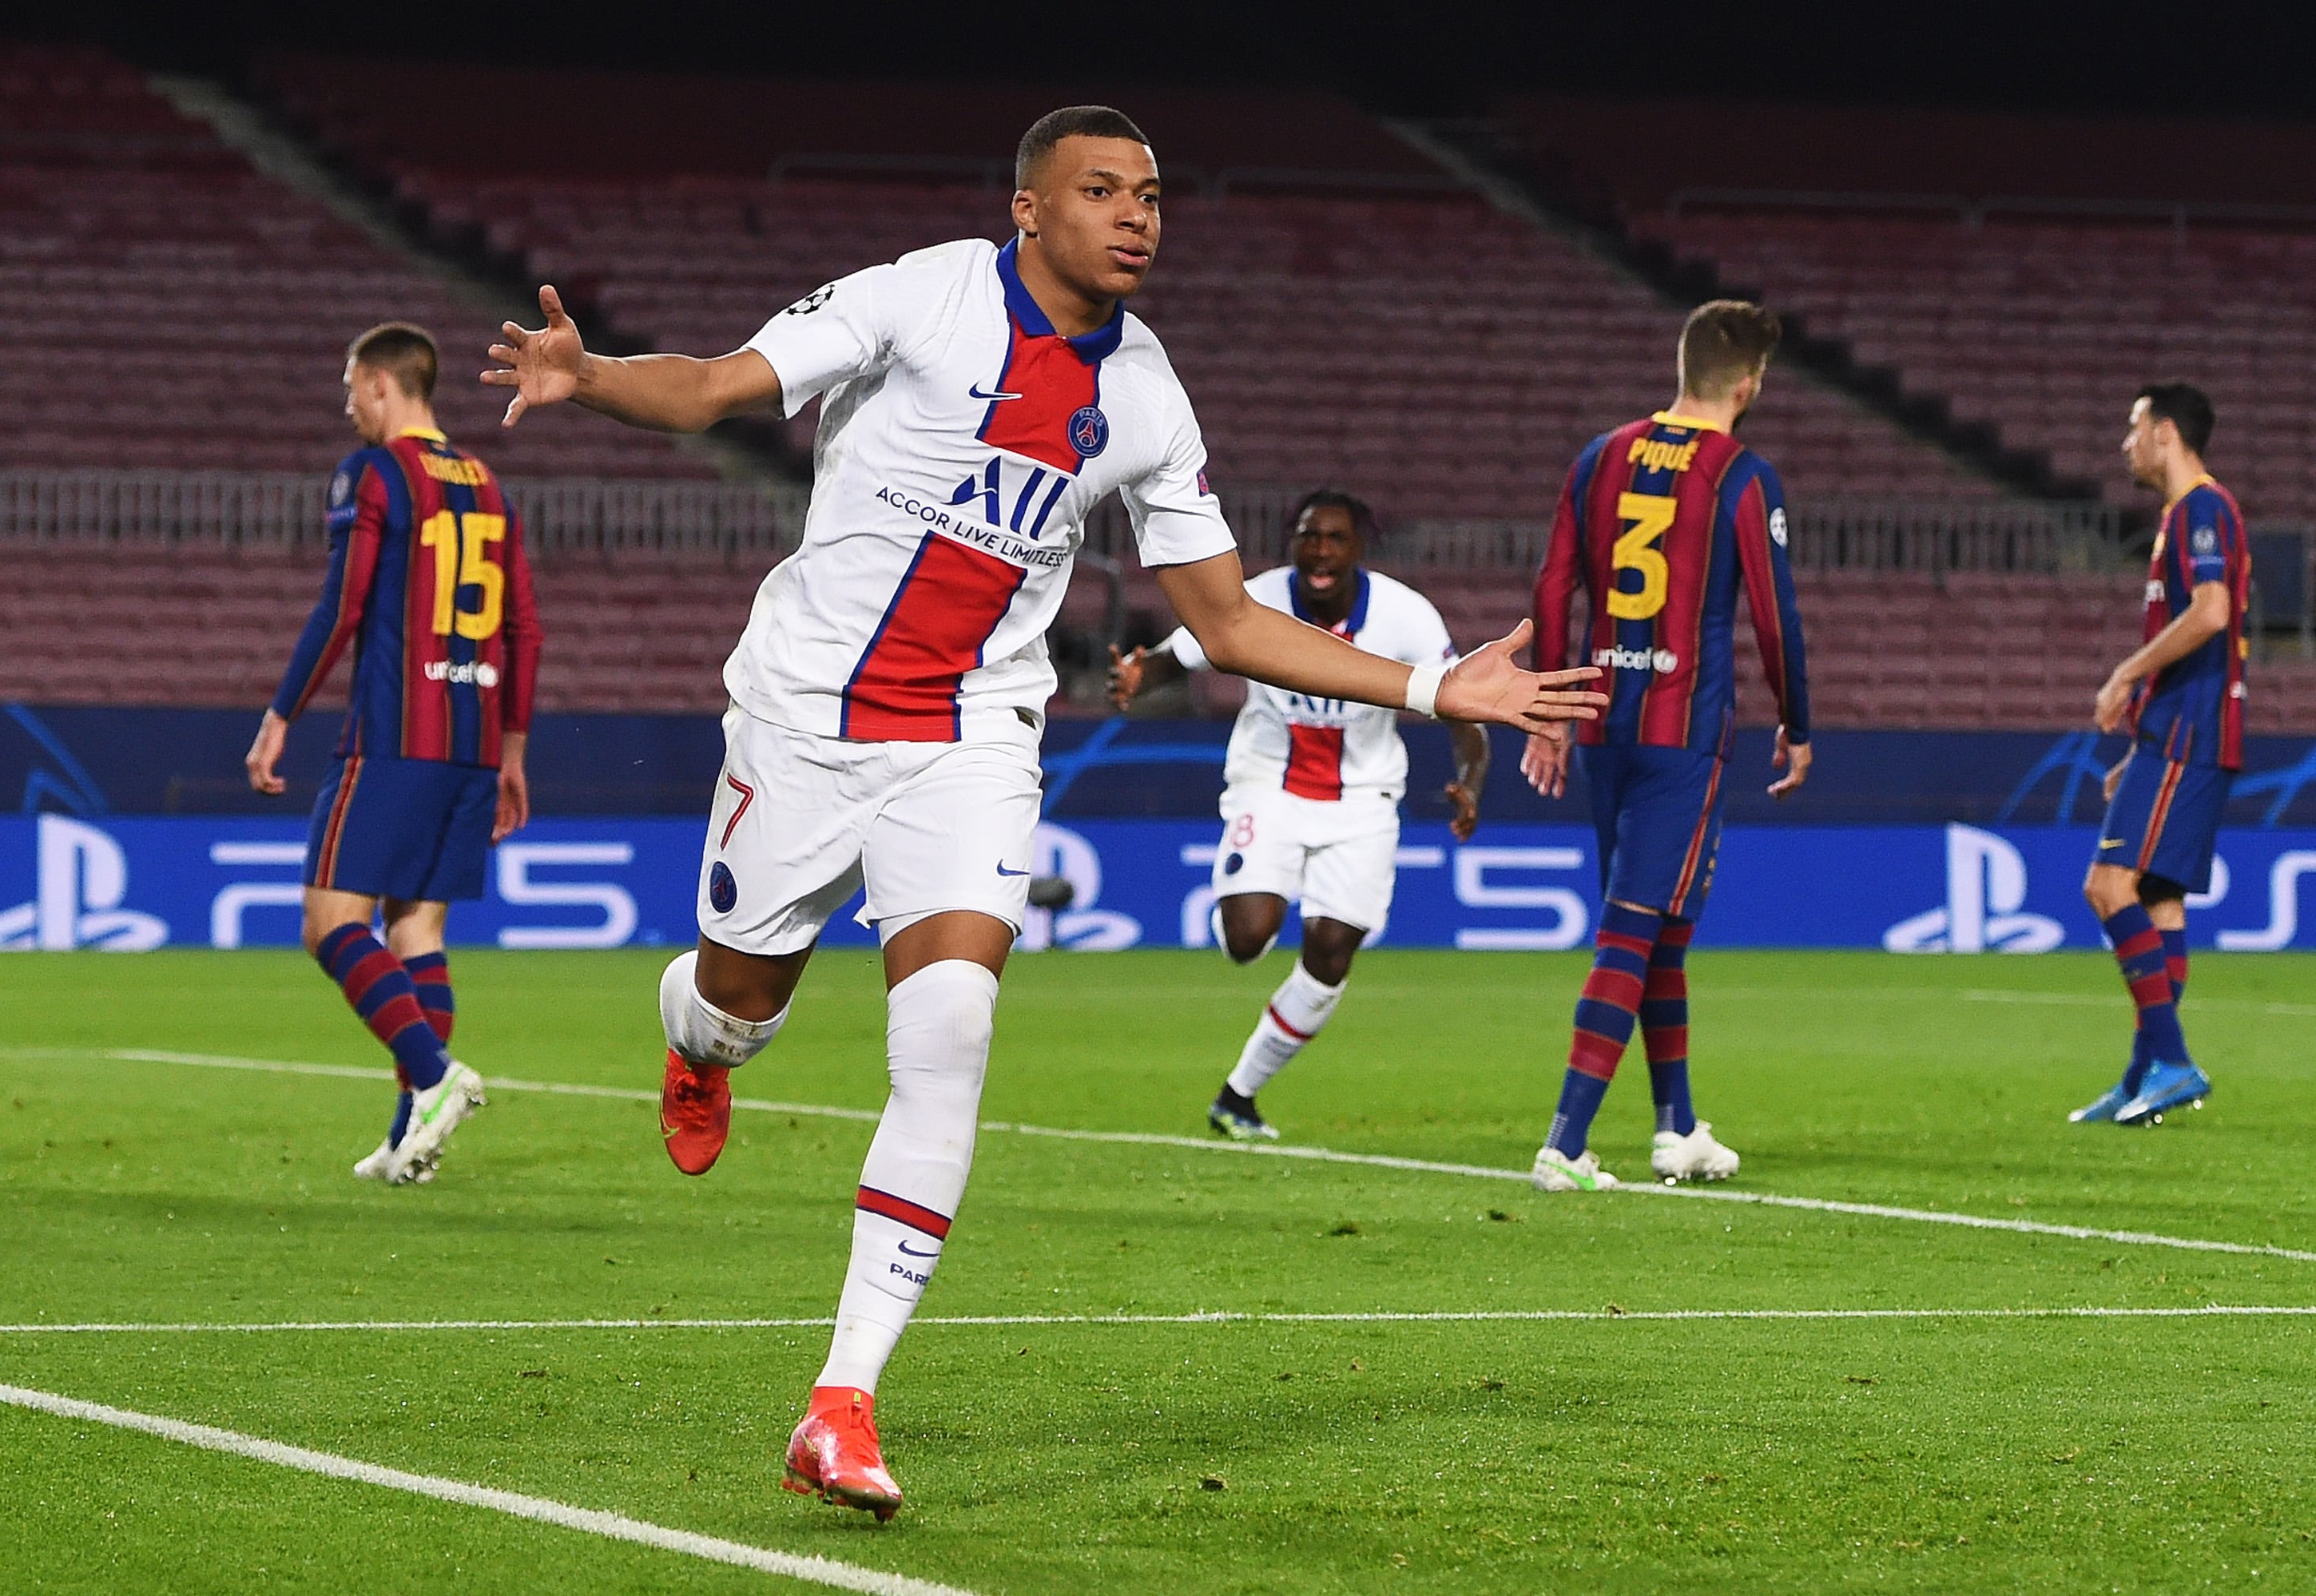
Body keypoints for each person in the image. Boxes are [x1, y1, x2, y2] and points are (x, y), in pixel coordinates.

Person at [483, 105, 1604, 1519]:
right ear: (1029, 208)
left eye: (1150, 192)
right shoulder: (921, 293)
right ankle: (697, 1039)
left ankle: (842, 1399)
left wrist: (1436, 685)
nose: (1139, 214)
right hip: (803, 720)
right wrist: (586, 377)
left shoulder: (1146, 393)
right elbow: (716, 386)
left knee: (949, 1027)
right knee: (736, 1003)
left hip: (972, 738)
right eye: (1102, 189)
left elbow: (1222, 619)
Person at [1521, 300, 1811, 1192]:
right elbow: (1775, 615)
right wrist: (1798, 723)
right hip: (1683, 736)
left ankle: (1678, 1127)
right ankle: (1565, 1144)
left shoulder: (1599, 457)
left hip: (1607, 727)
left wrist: (1555, 707)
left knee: (1661, 934)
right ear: (1750, 384)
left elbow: (1553, 586)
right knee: (1631, 933)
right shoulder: (1740, 473)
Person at [247, 322, 541, 1185]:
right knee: (415, 927)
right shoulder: (489, 486)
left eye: (351, 390)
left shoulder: (375, 473)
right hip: (474, 741)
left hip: (392, 734)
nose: (348, 408)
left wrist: (279, 714)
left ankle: (437, 1076)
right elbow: (525, 626)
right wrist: (514, 750)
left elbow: (343, 605)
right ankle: (413, 1135)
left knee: (331, 923)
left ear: (382, 384)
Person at [1106, 489, 1488, 1140]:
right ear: (1293, 544)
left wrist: (1470, 781)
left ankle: (1239, 1094)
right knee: (1249, 939)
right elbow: (1185, 650)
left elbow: (1458, 705)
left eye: (1335, 538)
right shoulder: (1259, 599)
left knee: (1332, 951)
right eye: (1309, 536)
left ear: (1358, 548)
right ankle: (1245, 891)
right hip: (1269, 787)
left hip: (1363, 799)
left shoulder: (1405, 615)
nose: (1320, 550)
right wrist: (1143, 673)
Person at [2069, 384, 2247, 1126]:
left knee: (2109, 885)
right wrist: (2140, 739)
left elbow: (2211, 613)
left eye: (2134, 427)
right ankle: (2146, 1071)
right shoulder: (2188, 515)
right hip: (2181, 735)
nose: (2125, 443)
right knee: (2158, 897)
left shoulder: (2201, 508)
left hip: (2188, 733)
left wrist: (2125, 674)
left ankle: (2171, 1060)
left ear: (2167, 433)